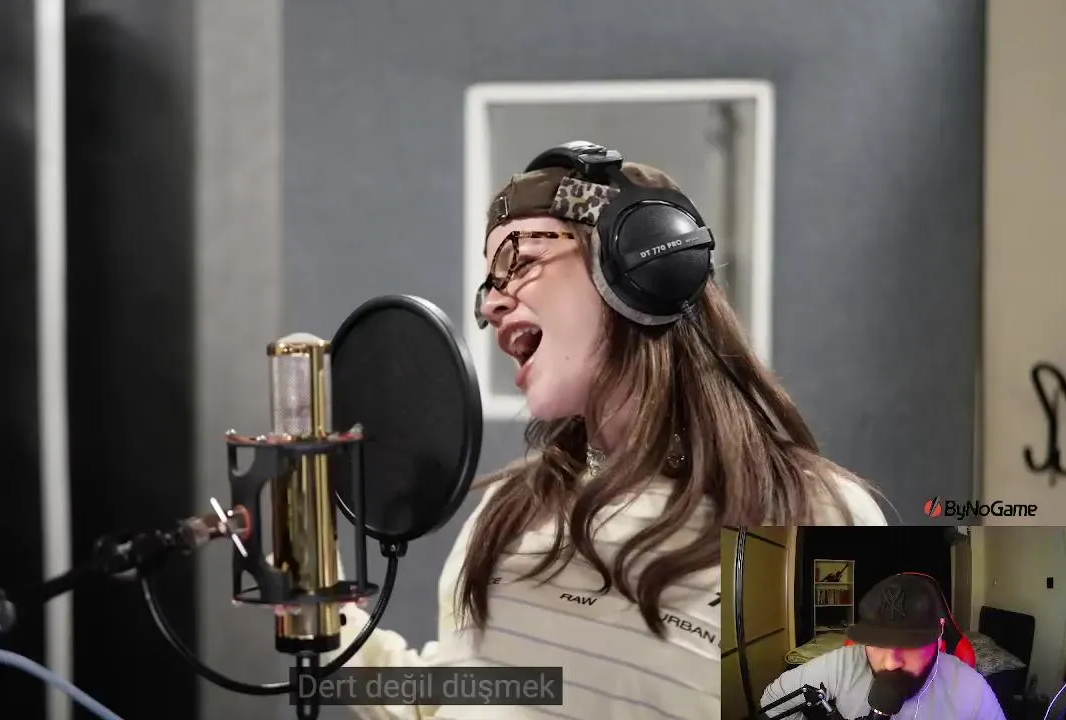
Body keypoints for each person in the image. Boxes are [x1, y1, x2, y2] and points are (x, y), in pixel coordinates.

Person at [325, 141, 884, 719]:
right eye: (489, 283)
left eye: (520, 262)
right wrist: (319, 610)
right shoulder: (507, 512)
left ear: (640, 261)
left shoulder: (814, 515)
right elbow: (447, 704)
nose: (491, 305)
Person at [760, 574, 1005, 719]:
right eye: (877, 642)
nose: (890, 662)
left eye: (910, 644)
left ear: (939, 633)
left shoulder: (971, 691)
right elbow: (772, 699)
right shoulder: (844, 664)